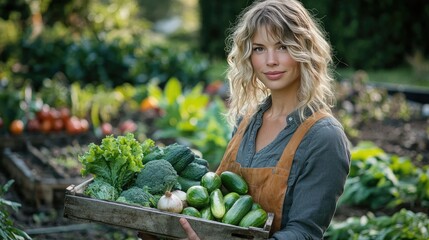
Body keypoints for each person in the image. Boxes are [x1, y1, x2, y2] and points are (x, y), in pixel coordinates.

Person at [179, 0, 351, 239]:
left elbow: (305, 233)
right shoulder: (246, 121)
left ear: (305, 50)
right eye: (259, 48)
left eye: (282, 47)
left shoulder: (324, 137)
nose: (270, 60)